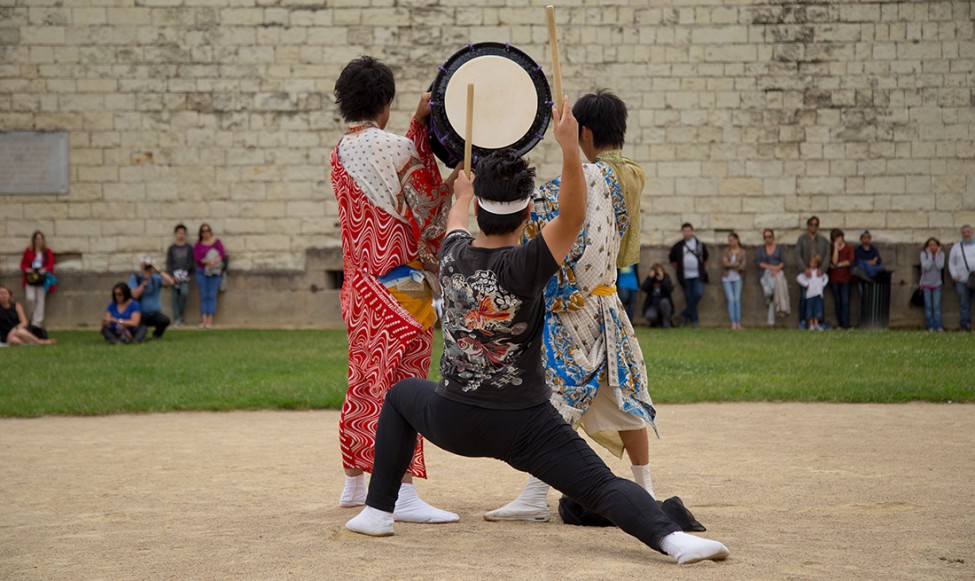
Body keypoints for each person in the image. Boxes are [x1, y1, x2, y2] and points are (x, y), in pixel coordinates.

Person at [344, 102, 731, 565]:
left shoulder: (452, 256)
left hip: (453, 418)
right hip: (524, 427)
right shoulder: (526, 264)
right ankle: (675, 541)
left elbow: (454, 222)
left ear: (478, 211)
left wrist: (463, 194)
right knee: (602, 485)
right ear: (529, 211)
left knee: (402, 395)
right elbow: (570, 216)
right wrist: (569, 149)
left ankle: (378, 510)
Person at [486, 90, 665, 522]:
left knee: (554, 401)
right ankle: (646, 490)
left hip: (575, 309)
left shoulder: (589, 177)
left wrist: (492, 183)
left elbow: (540, 213)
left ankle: (533, 495)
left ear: (583, 131)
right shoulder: (626, 177)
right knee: (622, 397)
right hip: (607, 304)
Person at [330, 56, 455, 522]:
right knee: (406, 381)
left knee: (364, 377)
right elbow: (426, 208)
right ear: (385, 101)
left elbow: (389, 165)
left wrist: (415, 126)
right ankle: (402, 493)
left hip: (359, 284)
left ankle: (353, 482)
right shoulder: (398, 148)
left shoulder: (340, 152)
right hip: (402, 281)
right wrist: (458, 190)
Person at [668, 223, 708, 327]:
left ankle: (684, 314)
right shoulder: (678, 245)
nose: (687, 233)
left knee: (698, 293)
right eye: (685, 231)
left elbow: (705, 257)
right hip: (685, 276)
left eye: (688, 231)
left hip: (697, 274)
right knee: (689, 297)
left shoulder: (699, 244)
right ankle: (694, 321)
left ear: (692, 231)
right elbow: (672, 259)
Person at [795, 216, 830, 330]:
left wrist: (822, 269)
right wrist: (805, 269)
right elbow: (798, 255)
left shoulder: (823, 240)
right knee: (803, 298)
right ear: (808, 226)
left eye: (816, 225)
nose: (813, 227)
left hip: (818, 275)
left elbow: (827, 256)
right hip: (807, 274)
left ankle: (819, 322)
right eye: (811, 224)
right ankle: (803, 321)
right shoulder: (802, 239)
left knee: (819, 300)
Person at [129, 256, 175, 340]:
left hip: (154, 314)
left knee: (165, 320)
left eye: (149, 266)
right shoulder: (135, 278)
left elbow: (171, 282)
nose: (147, 269)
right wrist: (145, 280)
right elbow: (135, 295)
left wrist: (158, 270)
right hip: (140, 315)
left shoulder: (156, 278)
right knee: (140, 334)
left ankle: (157, 335)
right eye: (145, 266)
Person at [19, 230, 56, 328]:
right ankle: (31, 318)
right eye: (36, 238)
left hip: (42, 277)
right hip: (31, 277)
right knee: (30, 298)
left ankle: (37, 323)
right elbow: (23, 264)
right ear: (33, 240)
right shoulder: (28, 250)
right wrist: (27, 269)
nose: (38, 241)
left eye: (40, 239)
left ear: (43, 240)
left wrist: (45, 269)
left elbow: (51, 264)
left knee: (40, 300)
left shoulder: (47, 251)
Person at [194, 223, 225, 329]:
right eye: (203, 231)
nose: (205, 233)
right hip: (201, 272)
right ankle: (203, 319)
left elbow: (222, 255)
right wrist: (207, 261)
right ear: (200, 233)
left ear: (210, 231)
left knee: (212, 295)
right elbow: (197, 258)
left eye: (207, 230)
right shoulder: (198, 245)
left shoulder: (217, 242)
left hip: (214, 272)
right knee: (204, 295)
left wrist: (213, 262)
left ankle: (209, 319)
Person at [756, 229, 787, 328]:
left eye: (769, 236)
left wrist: (776, 269)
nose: (768, 239)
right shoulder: (760, 249)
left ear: (773, 237)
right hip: (764, 274)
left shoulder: (778, 249)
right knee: (768, 292)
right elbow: (759, 263)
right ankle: (767, 300)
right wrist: (771, 268)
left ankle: (771, 322)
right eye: (765, 237)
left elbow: (782, 262)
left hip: (776, 274)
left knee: (774, 294)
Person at [947, 224, 975, 331]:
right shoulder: (956, 247)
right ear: (961, 234)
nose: (966, 234)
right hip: (962, 280)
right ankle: (965, 325)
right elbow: (951, 262)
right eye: (964, 233)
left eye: (968, 232)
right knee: (964, 304)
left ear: (972, 233)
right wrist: (954, 274)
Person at [167, 224, 194, 328]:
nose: (181, 235)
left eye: (183, 233)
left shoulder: (189, 248)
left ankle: (180, 316)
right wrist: (171, 276)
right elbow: (169, 263)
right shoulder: (172, 248)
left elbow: (190, 262)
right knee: (174, 297)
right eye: (179, 233)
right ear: (175, 234)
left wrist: (182, 274)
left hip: (184, 276)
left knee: (184, 293)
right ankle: (177, 319)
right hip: (173, 276)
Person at [828, 229, 854, 330]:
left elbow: (849, 262)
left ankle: (846, 323)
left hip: (845, 279)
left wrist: (839, 264)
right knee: (838, 302)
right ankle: (840, 324)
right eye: (836, 238)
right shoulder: (831, 248)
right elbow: (833, 262)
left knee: (845, 301)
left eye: (839, 237)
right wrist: (835, 249)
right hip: (834, 279)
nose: (838, 239)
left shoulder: (848, 248)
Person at [720, 232, 746, 329]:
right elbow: (724, 264)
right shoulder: (726, 251)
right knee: (731, 300)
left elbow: (743, 266)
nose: (730, 242)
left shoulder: (743, 252)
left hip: (738, 278)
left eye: (732, 240)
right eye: (729, 241)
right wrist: (736, 264)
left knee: (737, 300)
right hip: (727, 278)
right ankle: (733, 322)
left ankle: (738, 322)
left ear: (737, 240)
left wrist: (730, 264)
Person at [796, 254, 828, 330]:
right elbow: (799, 278)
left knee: (817, 310)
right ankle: (811, 324)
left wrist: (822, 285)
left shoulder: (819, 272)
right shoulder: (808, 272)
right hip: (810, 295)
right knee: (809, 310)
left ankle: (816, 324)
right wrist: (805, 284)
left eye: (815, 263)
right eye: (812, 262)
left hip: (818, 294)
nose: (813, 264)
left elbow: (826, 278)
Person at [919, 238, 945, 332]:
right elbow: (926, 267)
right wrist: (930, 255)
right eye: (930, 245)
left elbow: (940, 266)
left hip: (937, 284)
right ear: (927, 246)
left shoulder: (941, 254)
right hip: (926, 284)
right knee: (928, 306)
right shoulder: (923, 254)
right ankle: (930, 326)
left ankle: (938, 325)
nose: (932, 246)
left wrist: (937, 255)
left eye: (934, 244)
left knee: (936, 306)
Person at [641, 263, 675, 328]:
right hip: (653, 305)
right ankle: (656, 322)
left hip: (664, 304)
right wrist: (649, 278)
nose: (657, 274)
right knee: (649, 315)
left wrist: (662, 279)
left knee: (664, 302)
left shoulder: (666, 277)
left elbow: (670, 289)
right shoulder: (651, 280)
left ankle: (666, 322)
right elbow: (644, 288)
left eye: (659, 271)